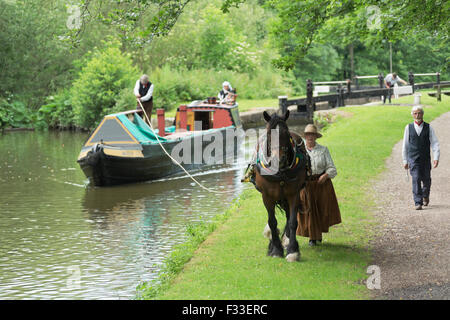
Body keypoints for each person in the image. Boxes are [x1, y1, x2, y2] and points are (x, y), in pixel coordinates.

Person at [296, 124, 341, 246]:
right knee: (308, 210)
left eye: (312, 134)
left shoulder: (323, 150)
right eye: (308, 135)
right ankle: (312, 238)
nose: (310, 137)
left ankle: (318, 234)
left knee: (321, 210)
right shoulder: (300, 151)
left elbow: (332, 168)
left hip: (321, 184)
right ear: (305, 136)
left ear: (316, 136)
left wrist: (325, 176)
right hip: (306, 184)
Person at [402, 106, 440, 210]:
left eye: (419, 113)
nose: (417, 115)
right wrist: (405, 160)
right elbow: (405, 145)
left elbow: (435, 143)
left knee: (426, 180)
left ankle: (425, 195)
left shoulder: (429, 127)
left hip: (425, 159)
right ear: (412, 115)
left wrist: (436, 157)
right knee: (416, 178)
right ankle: (418, 202)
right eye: (415, 113)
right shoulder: (408, 128)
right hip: (413, 159)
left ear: (422, 114)